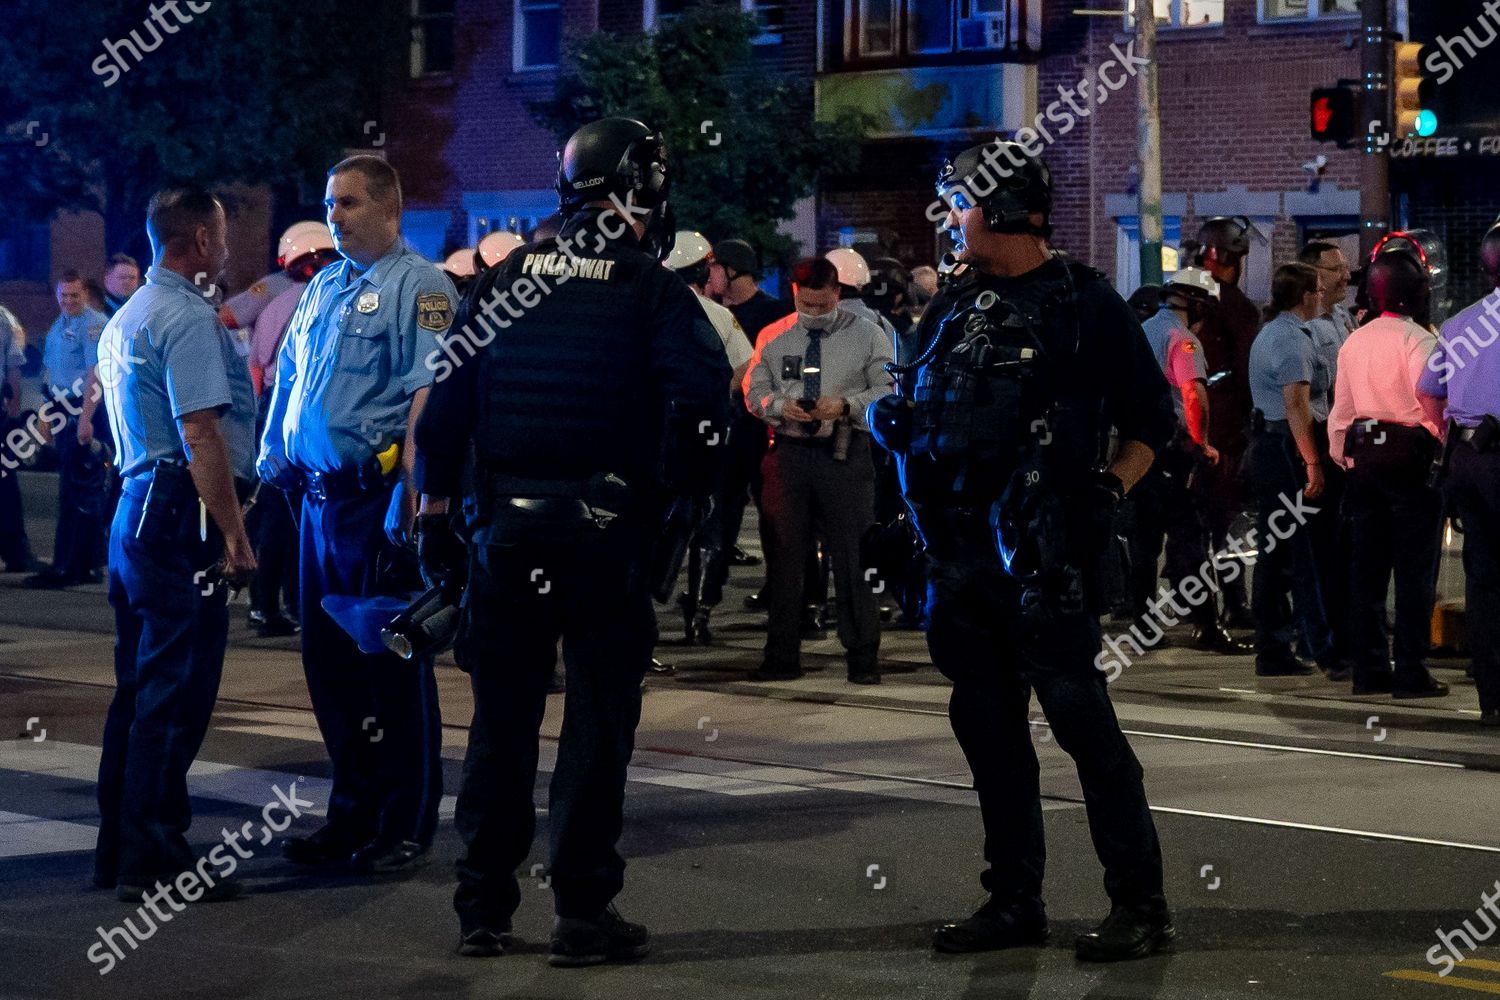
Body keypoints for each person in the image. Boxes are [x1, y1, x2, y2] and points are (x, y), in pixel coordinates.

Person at [413, 117, 731, 965]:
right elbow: (706, 412)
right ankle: (583, 913)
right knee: (595, 728)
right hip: (604, 540)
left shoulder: (507, 278)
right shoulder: (651, 290)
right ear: (641, 193)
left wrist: (436, 514)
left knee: (500, 723)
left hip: (503, 539)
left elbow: (443, 407)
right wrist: (672, 500)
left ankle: (482, 907)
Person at [869, 140, 1176, 960]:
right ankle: (1013, 900)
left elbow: (1156, 419)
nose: (951, 219)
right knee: (988, 732)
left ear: (1002, 208)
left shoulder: (1083, 302)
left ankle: (1140, 906)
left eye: (961, 202)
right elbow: (917, 405)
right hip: (956, 558)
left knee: (1082, 724)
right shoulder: (953, 305)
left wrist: (1107, 490)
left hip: (1044, 560)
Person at [258, 155, 450, 875]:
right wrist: (273, 450)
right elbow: (292, 380)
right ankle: (353, 814)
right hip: (314, 503)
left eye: (347, 203)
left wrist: (414, 493)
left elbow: (428, 397)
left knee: (392, 667)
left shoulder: (421, 286)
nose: (332, 215)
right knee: (331, 670)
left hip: (376, 502)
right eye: (329, 202)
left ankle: (405, 822)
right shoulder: (326, 287)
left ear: (389, 208)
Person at [94, 184, 258, 902]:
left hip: (134, 508)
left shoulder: (128, 314)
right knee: (176, 692)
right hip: (175, 513)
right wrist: (233, 532)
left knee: (138, 689)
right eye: (221, 236)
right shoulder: (187, 317)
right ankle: (154, 856)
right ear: (197, 240)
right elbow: (200, 433)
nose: (227, 248)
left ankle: (121, 846)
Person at [745, 255, 893, 683]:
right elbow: (755, 390)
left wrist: (846, 405)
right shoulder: (773, 336)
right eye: (806, 306)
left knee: (854, 556)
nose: (813, 315)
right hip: (789, 452)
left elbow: (887, 389)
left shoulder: (866, 334)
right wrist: (777, 406)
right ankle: (781, 656)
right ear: (794, 293)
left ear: (837, 294)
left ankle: (863, 656)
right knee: (785, 559)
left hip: (844, 451)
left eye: (822, 307)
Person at [1329, 247, 1449, 698]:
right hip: (1412, 466)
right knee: (1416, 572)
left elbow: (1341, 410)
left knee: (1368, 572)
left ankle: (1369, 669)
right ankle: (1412, 669)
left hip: (1365, 464)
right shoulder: (1418, 341)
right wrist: (1439, 445)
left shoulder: (1354, 340)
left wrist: (1345, 458)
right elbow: (1434, 403)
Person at [1131, 267, 1249, 654]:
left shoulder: (1143, 330)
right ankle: (1207, 627)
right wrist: (1203, 444)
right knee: (1190, 539)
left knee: (1144, 541)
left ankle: (1143, 625)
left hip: (1138, 447)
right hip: (1173, 450)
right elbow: (1194, 396)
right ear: (1197, 304)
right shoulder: (1183, 340)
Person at [1419, 222, 1500, 725]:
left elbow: (1429, 391)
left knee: (1486, 580)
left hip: (1472, 459)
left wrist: (1449, 430)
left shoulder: (1459, 324)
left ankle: (1493, 700)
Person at [244, 222, 338, 637]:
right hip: (301, 417)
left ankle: (269, 605)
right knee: (291, 519)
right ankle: (287, 605)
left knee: (278, 516)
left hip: (276, 414)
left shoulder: (279, 295)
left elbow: (256, 357)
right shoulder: (317, 295)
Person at [663, 230, 753, 643]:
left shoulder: (648, 309)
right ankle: (699, 612)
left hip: (657, 438)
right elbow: (743, 372)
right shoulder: (717, 316)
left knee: (658, 524)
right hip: (710, 435)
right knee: (710, 522)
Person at [1244, 263, 1333, 677]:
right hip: (1284, 448)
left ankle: (1274, 645)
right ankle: (1283, 645)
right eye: (1317, 289)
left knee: (1275, 549)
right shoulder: (1292, 340)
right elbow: (1296, 405)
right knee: (1292, 552)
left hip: (1270, 442)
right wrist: (1313, 462)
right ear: (1305, 296)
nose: (1322, 295)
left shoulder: (1271, 333)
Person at [1192, 217, 1260, 628]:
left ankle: (1202, 611)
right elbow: (1246, 370)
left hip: (1186, 429)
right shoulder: (1234, 306)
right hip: (1225, 431)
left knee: (1193, 526)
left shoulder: (1181, 301)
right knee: (1225, 524)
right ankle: (1233, 603)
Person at [26, 270, 111, 589]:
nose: (68, 301)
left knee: (80, 493)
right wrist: (47, 418)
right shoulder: (58, 326)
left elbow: (95, 375)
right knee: (74, 491)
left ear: (85, 294)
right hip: (62, 410)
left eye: (74, 295)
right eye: (63, 295)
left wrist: (86, 419)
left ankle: (70, 566)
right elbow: (50, 374)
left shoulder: (93, 325)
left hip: (81, 410)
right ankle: (82, 563)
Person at [1298, 240, 1358, 677]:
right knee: (1320, 549)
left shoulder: (1341, 317)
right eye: (1335, 270)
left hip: (1341, 443)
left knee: (1340, 546)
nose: (1346, 276)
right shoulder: (1308, 327)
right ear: (1312, 275)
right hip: (1319, 440)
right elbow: (1326, 388)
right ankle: (1323, 641)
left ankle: (1335, 633)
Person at [0, 304, 37, 572]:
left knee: (5, 483)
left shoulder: (5, 319)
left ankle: (16, 550)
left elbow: (14, 369)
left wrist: (13, 415)